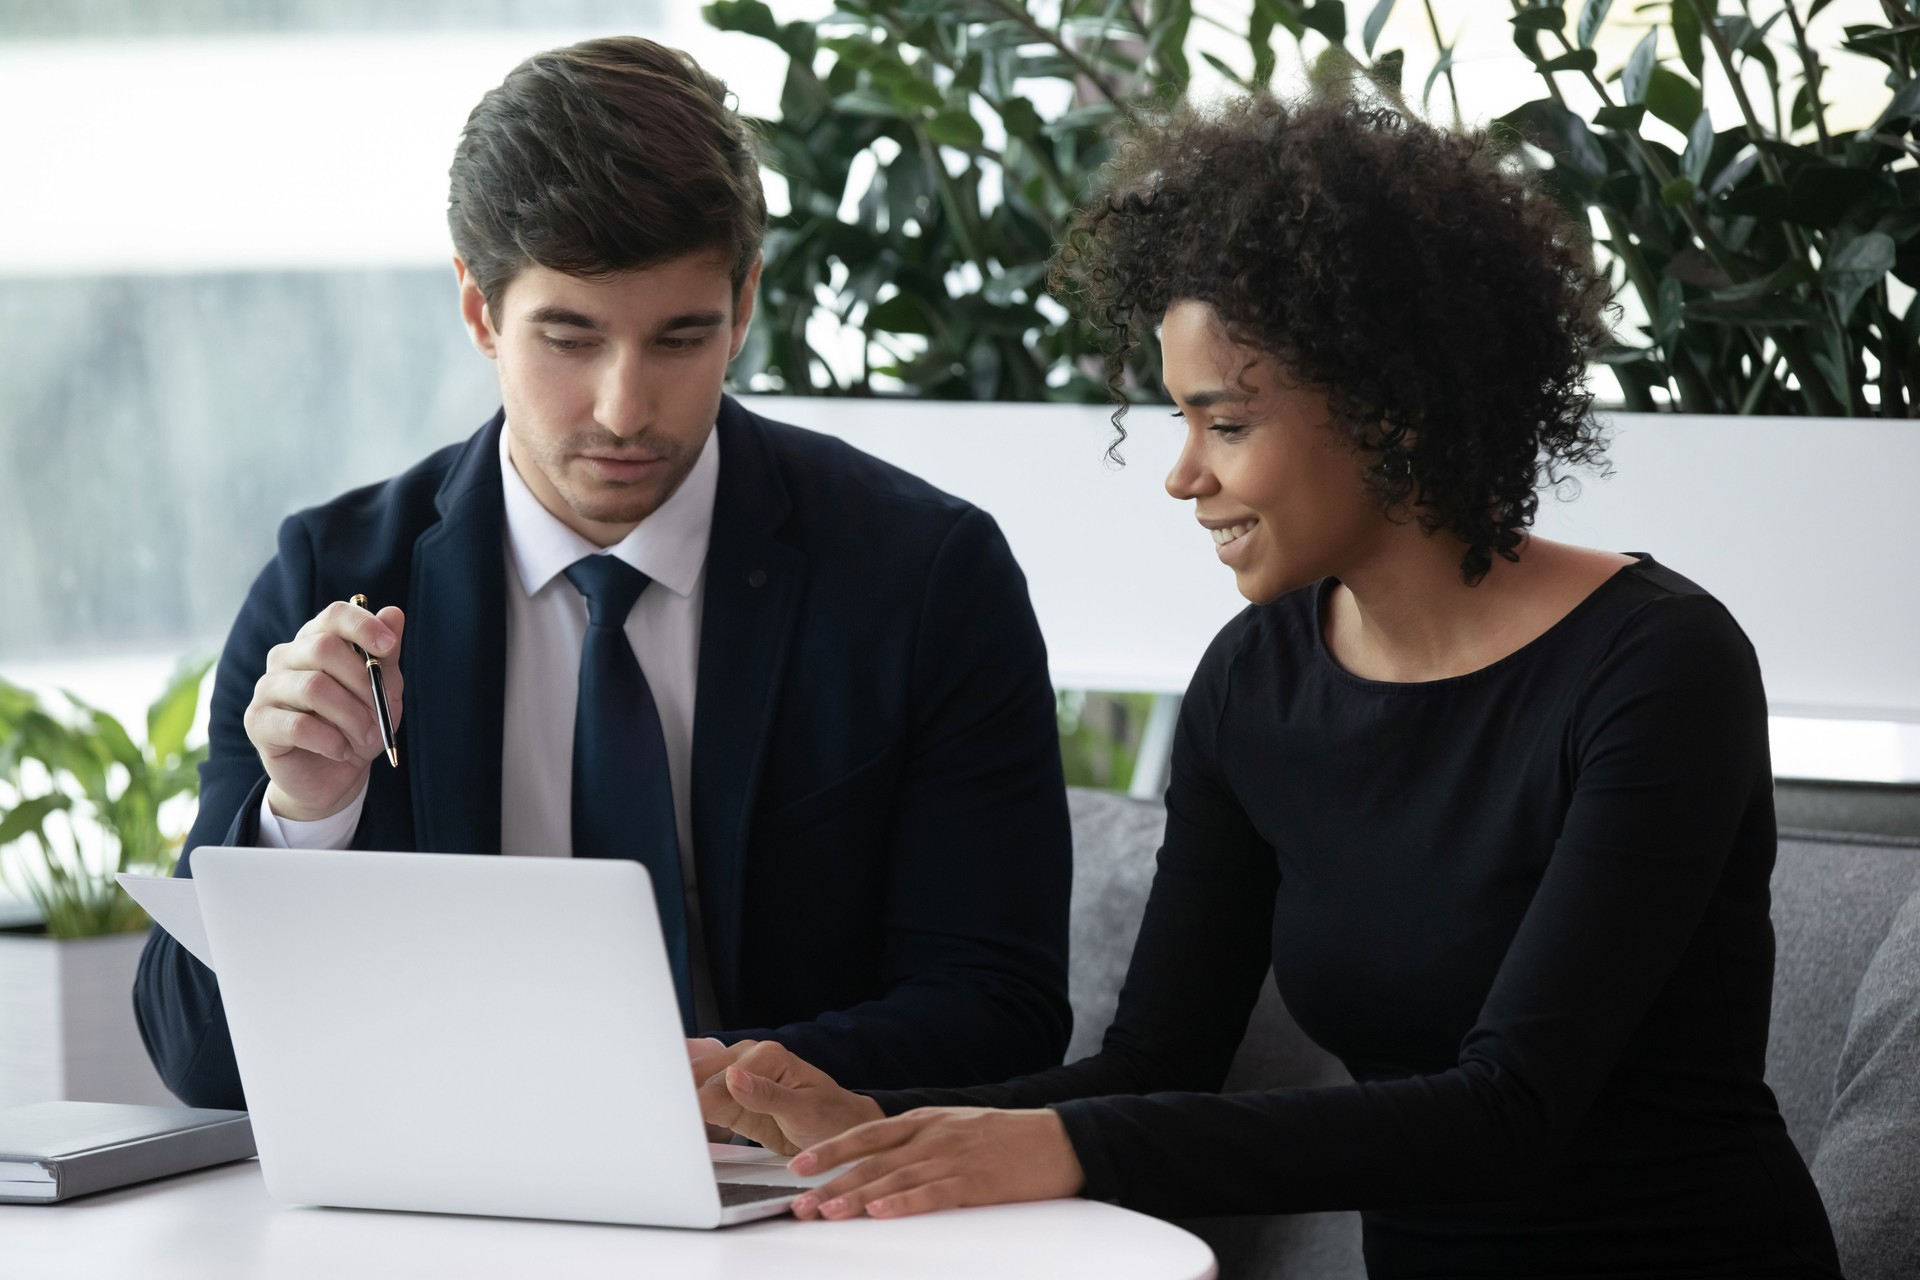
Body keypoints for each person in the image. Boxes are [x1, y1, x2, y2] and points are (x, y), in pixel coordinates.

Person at [690, 95, 1845, 1278]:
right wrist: (869, 1120)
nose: (1184, 474)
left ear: (1391, 406)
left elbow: (1509, 1110)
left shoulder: (1658, 668)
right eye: (1180, 419)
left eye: (1226, 422)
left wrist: (1060, 1145)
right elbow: (1154, 1068)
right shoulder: (1255, 680)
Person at [132, 36, 1072, 1111]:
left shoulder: (923, 578)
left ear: (746, 305)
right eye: (570, 339)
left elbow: (1004, 1008)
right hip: (448, 1203)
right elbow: (200, 1060)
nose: (626, 408)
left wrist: (700, 1083)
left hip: (804, 1209)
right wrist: (301, 813)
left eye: (681, 339)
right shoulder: (331, 578)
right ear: (481, 310)